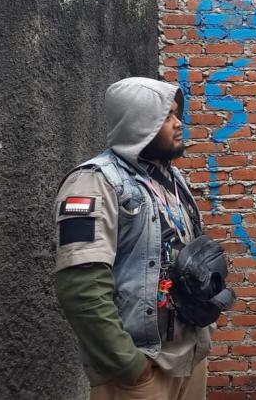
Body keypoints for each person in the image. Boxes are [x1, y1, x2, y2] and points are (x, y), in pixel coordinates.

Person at [54, 77, 218, 400]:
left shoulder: (173, 181)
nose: (179, 123)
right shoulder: (94, 183)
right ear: (139, 123)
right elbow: (81, 289)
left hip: (189, 360)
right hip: (141, 373)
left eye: (176, 114)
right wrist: (130, 366)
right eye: (167, 116)